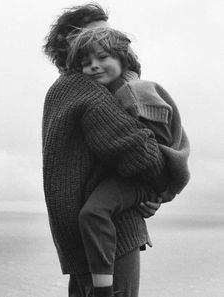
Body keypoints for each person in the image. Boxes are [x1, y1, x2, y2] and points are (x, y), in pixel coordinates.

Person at [42, 3, 175, 297]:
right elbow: (142, 156)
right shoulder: (85, 89)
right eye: (97, 33)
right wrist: (157, 187)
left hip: (80, 242)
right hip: (112, 234)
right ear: (69, 41)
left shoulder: (59, 90)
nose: (106, 38)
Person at [64, 26, 190, 294]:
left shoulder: (135, 91)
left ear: (123, 58)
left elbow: (152, 152)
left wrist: (159, 189)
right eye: (87, 63)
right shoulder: (114, 91)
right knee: (93, 213)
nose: (94, 67)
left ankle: (103, 289)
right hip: (132, 178)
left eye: (103, 58)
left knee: (94, 213)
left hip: (146, 176)